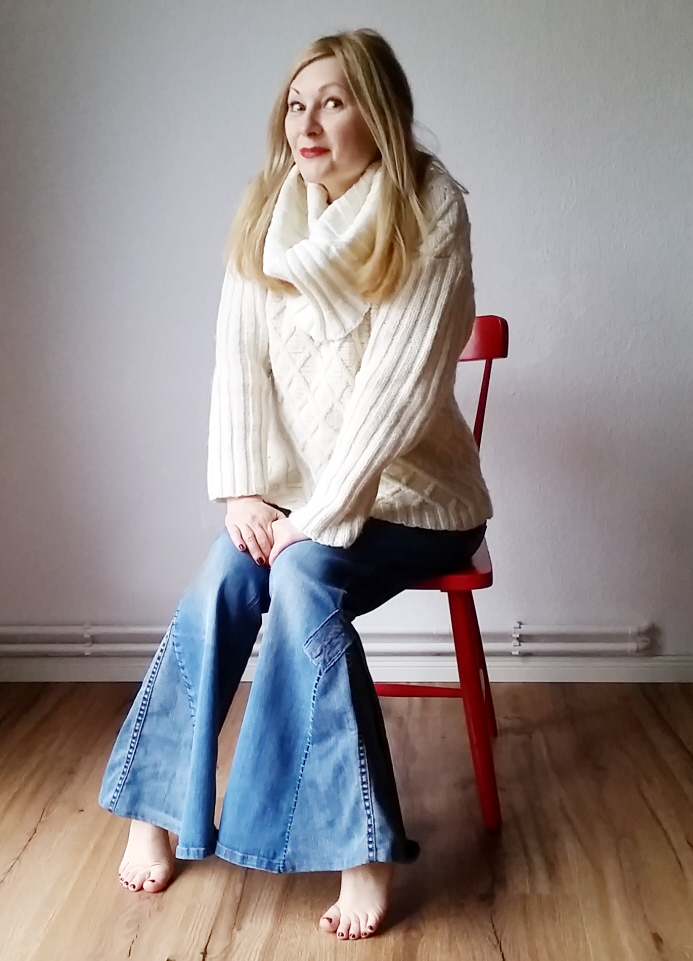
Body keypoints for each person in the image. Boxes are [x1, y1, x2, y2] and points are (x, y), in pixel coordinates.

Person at [98, 27, 493, 941]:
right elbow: (238, 357)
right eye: (296, 103)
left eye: (334, 102)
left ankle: (360, 846)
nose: (307, 123)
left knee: (304, 572)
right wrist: (244, 490)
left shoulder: (429, 206)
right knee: (225, 572)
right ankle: (155, 804)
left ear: (379, 114)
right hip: (300, 497)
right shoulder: (268, 210)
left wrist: (317, 515)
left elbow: (397, 395)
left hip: (417, 499)